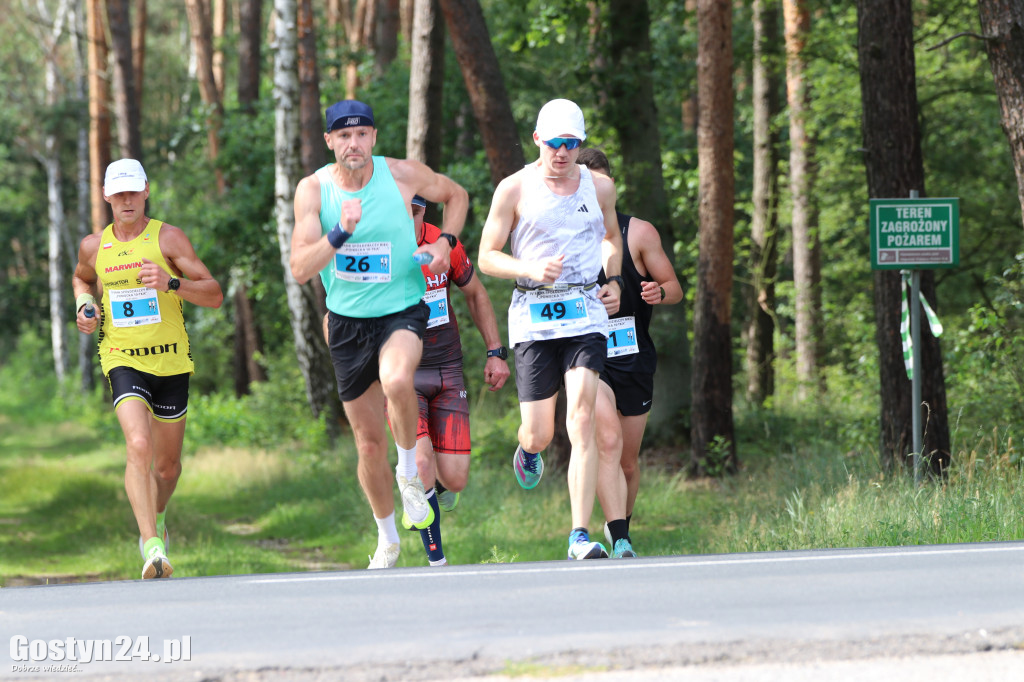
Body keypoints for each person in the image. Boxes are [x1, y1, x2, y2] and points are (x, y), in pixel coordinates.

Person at [290, 99, 469, 569]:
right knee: (368, 443)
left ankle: (409, 472)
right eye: (344, 136)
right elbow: (299, 267)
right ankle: (386, 537)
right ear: (329, 141)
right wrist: (338, 234)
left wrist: (443, 243)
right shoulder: (313, 192)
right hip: (347, 324)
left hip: (401, 312)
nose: (355, 144)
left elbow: (458, 196)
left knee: (396, 381)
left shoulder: (404, 175)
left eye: (363, 134)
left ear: (373, 137)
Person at [477, 98, 626, 560]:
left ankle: (579, 534)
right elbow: (486, 255)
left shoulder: (599, 188)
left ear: (580, 145)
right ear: (537, 139)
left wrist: (615, 279)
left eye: (571, 145)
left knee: (581, 419)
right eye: (554, 144)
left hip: (584, 311)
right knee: (538, 432)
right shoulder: (514, 188)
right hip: (532, 314)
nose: (561, 153)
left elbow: (612, 239)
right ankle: (528, 450)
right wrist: (529, 267)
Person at [72, 158, 224, 579]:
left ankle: (155, 518)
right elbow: (82, 279)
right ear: (106, 196)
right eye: (117, 193)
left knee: (167, 468)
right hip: (122, 359)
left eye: (132, 192)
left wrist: (172, 283)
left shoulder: (169, 239)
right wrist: (85, 306)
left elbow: (214, 294)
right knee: (138, 445)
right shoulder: (93, 246)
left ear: (146, 192)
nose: (125, 200)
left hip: (171, 361)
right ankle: (151, 544)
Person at [577, 148, 683, 558]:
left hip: (634, 357)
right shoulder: (568, 236)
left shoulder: (639, 233)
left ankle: (620, 526)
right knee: (607, 438)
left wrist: (659, 292)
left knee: (627, 462)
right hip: (590, 357)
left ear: (611, 186)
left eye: (601, 182)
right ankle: (619, 536)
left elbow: (674, 288)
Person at [399, 194, 511, 566]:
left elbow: (476, 294)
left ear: (424, 211)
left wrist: (495, 351)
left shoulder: (446, 246)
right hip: (402, 373)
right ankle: (437, 562)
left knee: (456, 479)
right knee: (422, 460)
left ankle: (426, 485)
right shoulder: (377, 249)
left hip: (447, 367)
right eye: (399, 211)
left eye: (414, 212)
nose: (408, 219)